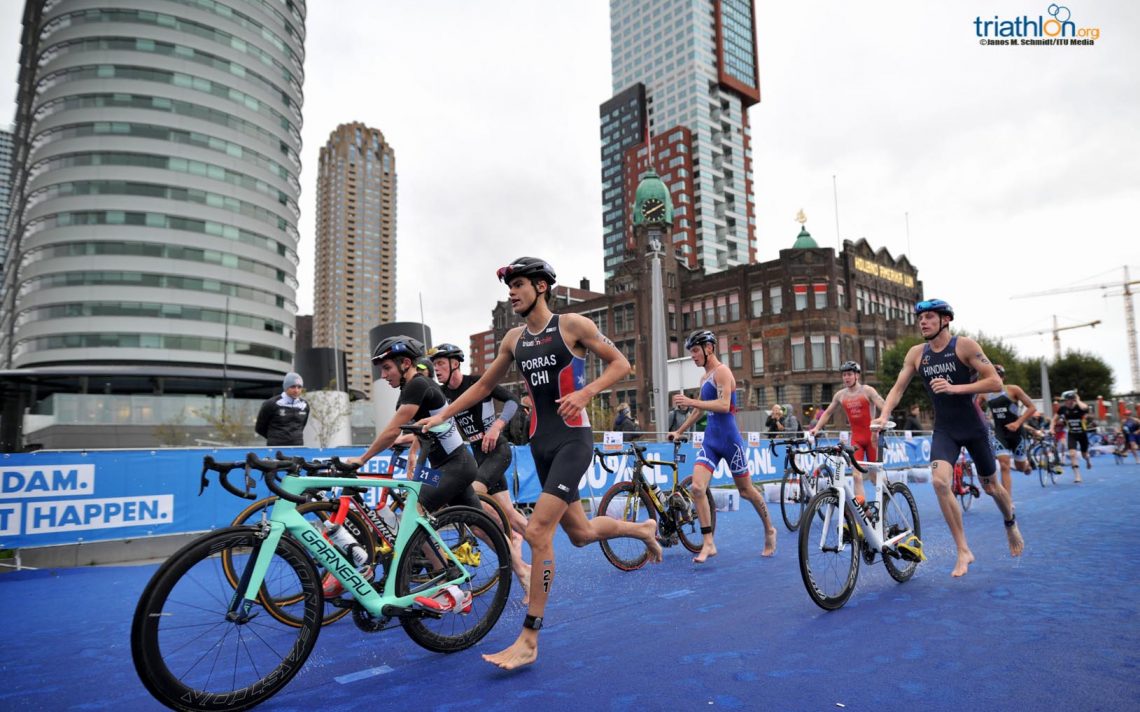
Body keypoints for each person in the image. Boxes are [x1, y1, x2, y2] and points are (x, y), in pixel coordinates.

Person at [419, 256, 661, 671]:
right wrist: (442, 415)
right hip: (540, 443)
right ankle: (642, 529)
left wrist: (587, 394)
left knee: (536, 531)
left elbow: (622, 364)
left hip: (573, 440)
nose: (511, 293)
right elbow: (484, 385)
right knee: (581, 533)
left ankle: (530, 636)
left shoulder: (572, 326)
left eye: (518, 285)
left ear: (541, 287)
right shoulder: (514, 338)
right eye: (508, 287)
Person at [874, 299, 1022, 577]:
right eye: (920, 318)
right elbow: (898, 388)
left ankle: (1010, 521)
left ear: (945, 320)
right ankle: (963, 549)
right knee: (940, 482)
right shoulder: (917, 353)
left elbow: (995, 382)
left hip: (974, 428)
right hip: (945, 430)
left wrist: (956, 388)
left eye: (929, 317)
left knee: (992, 488)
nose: (922, 322)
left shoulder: (965, 346)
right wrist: (884, 415)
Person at [429, 342, 532, 601]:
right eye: (434, 365)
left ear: (456, 363)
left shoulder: (479, 382)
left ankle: (507, 543)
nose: (436, 369)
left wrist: (497, 426)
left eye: (440, 363)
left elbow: (512, 402)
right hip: (477, 456)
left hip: (498, 451)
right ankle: (522, 541)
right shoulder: (442, 395)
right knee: (511, 514)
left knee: (474, 498)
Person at [668, 329, 778, 564]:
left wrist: (690, 401)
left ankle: (769, 529)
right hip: (710, 441)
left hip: (730, 441)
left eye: (696, 351)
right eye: (691, 352)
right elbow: (699, 411)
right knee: (697, 489)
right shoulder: (704, 377)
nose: (693, 356)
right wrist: (679, 430)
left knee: (746, 491)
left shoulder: (723, 372)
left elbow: (724, 404)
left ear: (709, 348)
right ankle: (709, 542)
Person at [349, 336, 481, 514]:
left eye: (387, 368)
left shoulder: (418, 385)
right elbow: (424, 427)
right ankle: (508, 542)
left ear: (405, 363)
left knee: (413, 512)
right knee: (478, 526)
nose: (383, 375)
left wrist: (362, 459)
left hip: (455, 466)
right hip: (447, 467)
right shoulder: (409, 388)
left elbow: (392, 432)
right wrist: (411, 450)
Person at [807, 361, 886, 511]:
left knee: (875, 478)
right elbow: (828, 412)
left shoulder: (867, 390)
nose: (846, 378)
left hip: (872, 439)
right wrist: (816, 428)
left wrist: (881, 421)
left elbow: (884, 406)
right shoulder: (840, 395)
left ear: (857, 375)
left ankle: (887, 499)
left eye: (849, 374)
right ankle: (864, 512)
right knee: (856, 476)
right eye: (844, 375)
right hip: (856, 439)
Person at [976, 364, 1037, 497]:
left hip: (1017, 433)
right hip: (1000, 433)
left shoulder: (1013, 390)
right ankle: (1008, 500)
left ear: (1002, 377)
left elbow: (1032, 407)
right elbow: (974, 407)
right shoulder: (985, 394)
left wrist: (1018, 422)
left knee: (1020, 467)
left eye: (998, 376)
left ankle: (1026, 465)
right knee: (1004, 465)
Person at [254, 372, 309, 446]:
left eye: (299, 387)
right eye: (293, 387)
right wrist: (275, 438)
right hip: (276, 449)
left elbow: (302, 426)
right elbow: (259, 428)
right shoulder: (271, 404)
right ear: (286, 387)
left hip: (297, 448)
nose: (296, 390)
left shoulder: (304, 405)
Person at [1052, 390, 1091, 482]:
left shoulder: (1079, 407)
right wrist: (1051, 428)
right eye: (1065, 400)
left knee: (1084, 455)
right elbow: (1053, 420)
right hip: (1072, 434)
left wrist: (1078, 399)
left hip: (1082, 434)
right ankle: (1077, 476)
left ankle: (1088, 461)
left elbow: (1085, 408)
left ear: (1073, 400)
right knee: (1072, 454)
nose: (1066, 402)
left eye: (1068, 400)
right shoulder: (1063, 409)